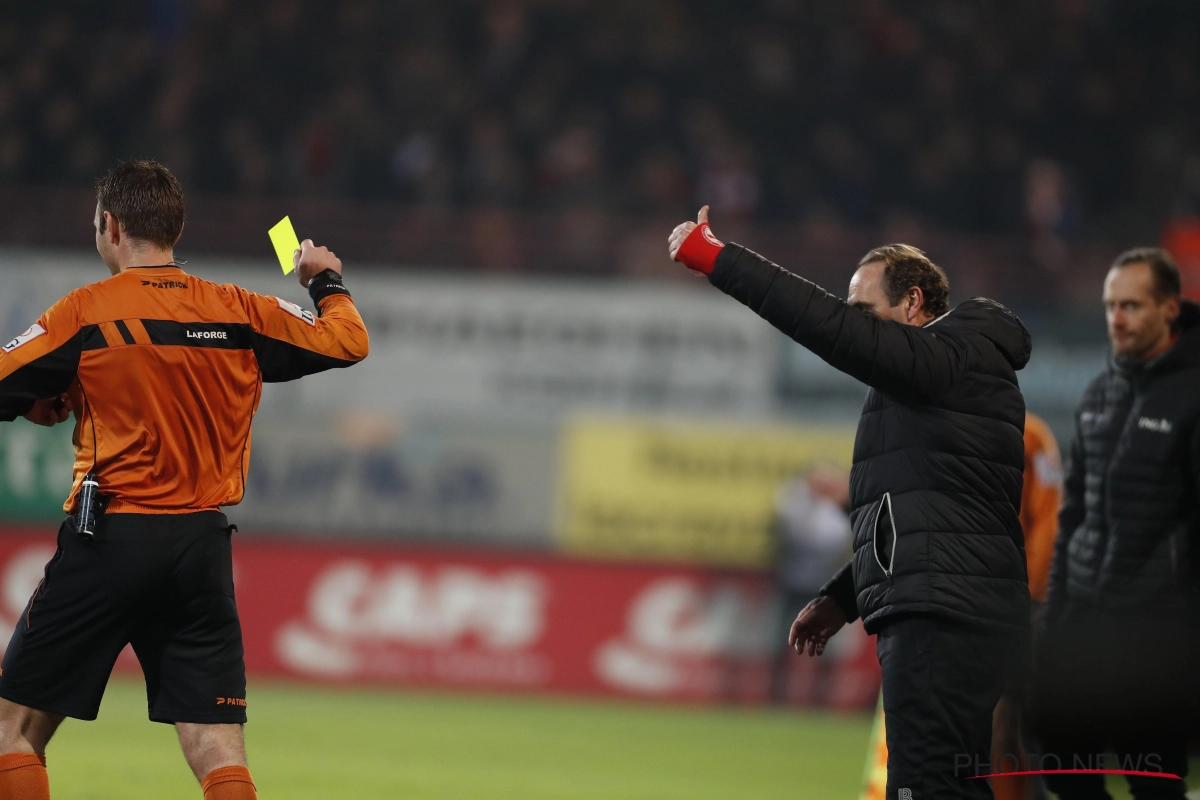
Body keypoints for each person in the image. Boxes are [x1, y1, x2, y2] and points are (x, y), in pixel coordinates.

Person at [0, 160, 369, 800]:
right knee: (215, 746)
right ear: (175, 229)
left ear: (110, 227)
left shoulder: (87, 312)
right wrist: (324, 278)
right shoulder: (238, 311)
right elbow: (348, 340)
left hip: (110, 541)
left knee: (14, 731)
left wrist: (35, 396)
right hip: (200, 548)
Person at [670, 206, 1032, 799]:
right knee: (949, 786)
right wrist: (843, 596)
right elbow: (918, 513)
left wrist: (718, 258)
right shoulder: (936, 382)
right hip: (952, 605)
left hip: (942, 612)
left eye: (867, 314)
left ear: (914, 303)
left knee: (922, 787)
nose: (857, 328)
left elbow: (826, 326)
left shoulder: (949, 358)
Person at [1035, 248, 1200, 799]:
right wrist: (1056, 618)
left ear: (1170, 308)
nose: (1116, 319)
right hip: (1085, 624)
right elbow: (1073, 517)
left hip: (1156, 633)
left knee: (1152, 782)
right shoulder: (1098, 395)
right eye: (1110, 306)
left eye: (1131, 305)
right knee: (1062, 770)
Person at [860, 412, 1063, 800]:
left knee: (999, 733)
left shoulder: (1029, 434)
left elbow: (1050, 524)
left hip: (996, 615)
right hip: (933, 608)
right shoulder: (921, 429)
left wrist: (1030, 601)